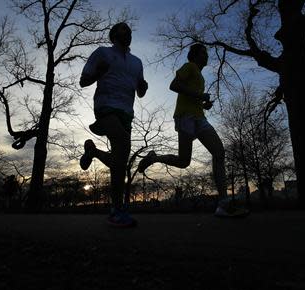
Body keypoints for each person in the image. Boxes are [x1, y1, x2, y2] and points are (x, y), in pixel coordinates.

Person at [137, 44, 248, 217]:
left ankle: (223, 204)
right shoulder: (189, 67)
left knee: (219, 152)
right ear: (194, 55)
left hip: (199, 118)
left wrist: (203, 104)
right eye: (203, 53)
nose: (206, 56)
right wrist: (199, 96)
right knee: (183, 161)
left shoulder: (201, 76)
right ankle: (154, 158)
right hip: (185, 117)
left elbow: (191, 96)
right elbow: (173, 86)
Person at [79, 22, 148, 227]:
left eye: (128, 31)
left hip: (127, 112)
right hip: (105, 106)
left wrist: (143, 87)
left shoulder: (137, 62)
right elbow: (83, 81)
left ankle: (93, 152)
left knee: (119, 161)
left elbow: (140, 92)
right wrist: (99, 73)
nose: (126, 32)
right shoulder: (102, 53)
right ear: (112, 35)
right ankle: (116, 210)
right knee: (123, 144)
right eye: (121, 30)